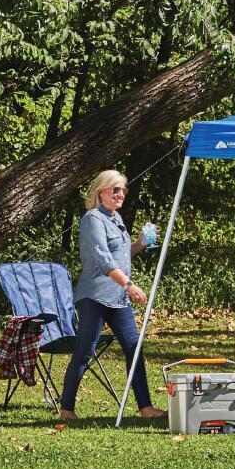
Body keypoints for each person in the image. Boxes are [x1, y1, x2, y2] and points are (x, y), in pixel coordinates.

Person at [58, 170, 166, 421]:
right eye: (114, 189)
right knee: (85, 351)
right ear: (100, 192)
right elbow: (103, 258)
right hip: (94, 296)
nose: (120, 194)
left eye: (123, 190)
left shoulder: (115, 219)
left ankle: (145, 407)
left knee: (134, 348)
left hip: (118, 298)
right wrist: (129, 284)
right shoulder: (92, 219)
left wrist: (141, 242)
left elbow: (121, 256)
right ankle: (66, 409)